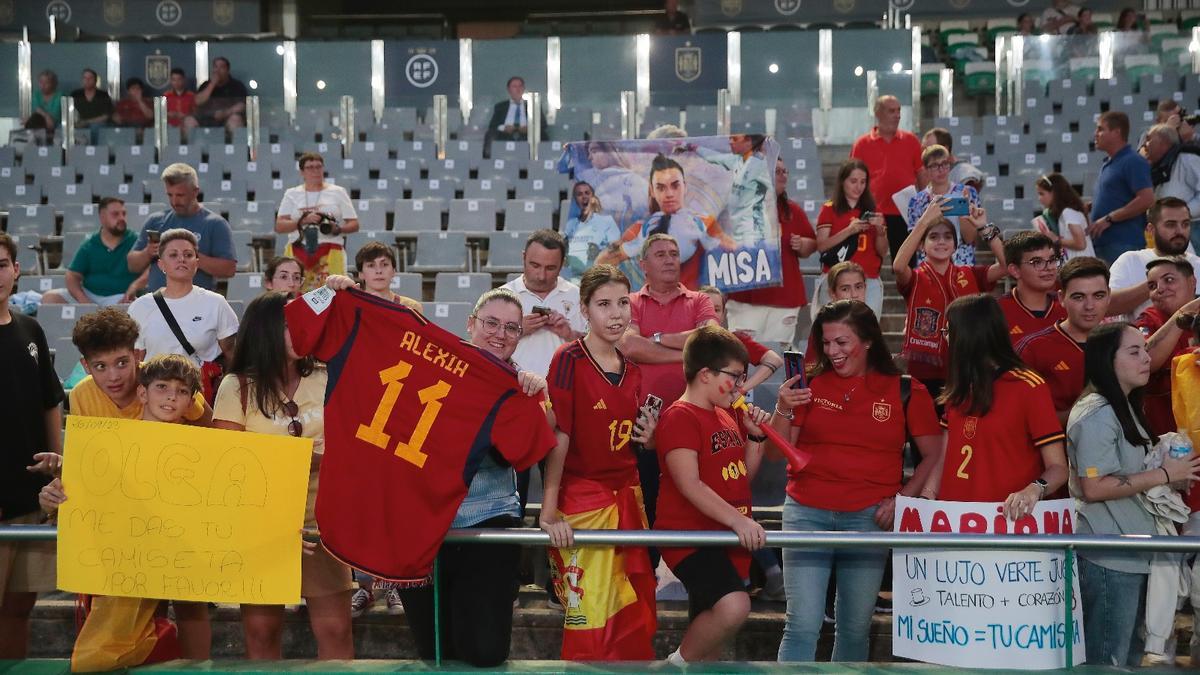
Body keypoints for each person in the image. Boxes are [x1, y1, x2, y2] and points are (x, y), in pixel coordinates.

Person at [769, 300, 942, 662]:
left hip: (869, 517)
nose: (832, 351)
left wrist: (904, 500)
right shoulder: (808, 385)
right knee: (800, 624)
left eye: (842, 342)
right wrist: (783, 406)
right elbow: (776, 453)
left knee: (854, 627)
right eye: (827, 342)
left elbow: (935, 454)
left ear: (867, 341)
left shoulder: (906, 390)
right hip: (805, 513)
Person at [392, 287, 555, 667]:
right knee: (433, 650)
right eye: (491, 323)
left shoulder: (522, 387)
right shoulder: (429, 370)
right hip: (423, 525)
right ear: (470, 325)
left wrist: (538, 398)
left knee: (485, 650)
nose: (501, 334)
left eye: (512, 328)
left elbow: (543, 441)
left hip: (489, 524)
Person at [213, 292, 354, 660]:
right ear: (265, 331)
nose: (302, 332)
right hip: (262, 526)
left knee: (336, 630)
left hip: (321, 521)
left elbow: (351, 447)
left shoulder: (327, 376)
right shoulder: (236, 387)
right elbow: (231, 465)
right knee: (261, 632)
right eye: (291, 326)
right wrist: (305, 458)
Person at [539, 265, 658, 660]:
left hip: (628, 497)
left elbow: (632, 443)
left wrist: (650, 438)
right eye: (604, 304)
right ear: (584, 310)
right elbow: (560, 435)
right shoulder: (568, 359)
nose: (616, 313)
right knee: (589, 616)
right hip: (583, 502)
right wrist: (549, 508)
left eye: (623, 302)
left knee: (630, 613)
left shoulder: (635, 371)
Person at [1068, 322, 1200, 666]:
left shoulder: (1125, 407)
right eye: (1134, 351)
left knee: (1127, 659)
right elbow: (1094, 487)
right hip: (1110, 558)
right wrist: (1165, 473)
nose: (1146, 358)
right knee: (1109, 661)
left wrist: (1168, 479)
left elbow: (1130, 476)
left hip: (1132, 554)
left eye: (1145, 349)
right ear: (1106, 361)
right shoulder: (1096, 412)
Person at [654, 325, 772, 666]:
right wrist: (738, 520)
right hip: (690, 535)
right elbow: (689, 484)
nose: (739, 386)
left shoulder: (726, 413)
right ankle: (673, 666)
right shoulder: (679, 416)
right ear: (705, 374)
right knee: (734, 605)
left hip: (723, 533)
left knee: (712, 638)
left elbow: (741, 477)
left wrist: (756, 438)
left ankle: (689, 664)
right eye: (734, 377)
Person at [930, 294, 1069, 520]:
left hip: (1006, 524)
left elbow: (1059, 468)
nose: (945, 340)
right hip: (954, 521)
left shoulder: (1027, 386)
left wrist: (1034, 489)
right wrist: (927, 498)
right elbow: (943, 457)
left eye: (948, 333)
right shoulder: (959, 388)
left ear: (967, 337)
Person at [619, 234, 719, 535]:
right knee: (647, 503)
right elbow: (629, 347)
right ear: (643, 265)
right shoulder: (632, 302)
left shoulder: (699, 299)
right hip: (642, 419)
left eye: (674, 253)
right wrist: (689, 354)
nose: (669, 259)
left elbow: (710, 339)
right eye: (660, 254)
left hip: (694, 419)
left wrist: (656, 340)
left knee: (695, 501)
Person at [0, 233, 63, 658]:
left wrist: (59, 464)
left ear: (16, 270)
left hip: (29, 494)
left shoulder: (30, 329)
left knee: (20, 608)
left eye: (1, 264)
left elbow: (49, 401)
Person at [893, 198, 1004, 403]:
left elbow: (1006, 266)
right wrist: (924, 221)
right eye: (933, 237)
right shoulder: (914, 278)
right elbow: (898, 267)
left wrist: (983, 228)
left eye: (947, 237)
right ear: (921, 247)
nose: (941, 241)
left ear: (955, 245)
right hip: (926, 370)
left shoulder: (971, 273)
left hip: (968, 366)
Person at [598, 154, 736, 290]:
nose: (669, 194)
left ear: (685, 187)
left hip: (694, 308)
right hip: (656, 308)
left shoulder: (705, 223)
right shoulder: (642, 228)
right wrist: (636, 244)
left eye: (675, 186)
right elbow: (600, 264)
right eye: (661, 187)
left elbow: (739, 259)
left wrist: (712, 243)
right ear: (652, 191)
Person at [725, 156, 817, 349]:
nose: (783, 175)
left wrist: (802, 244)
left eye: (785, 171)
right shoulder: (737, 209)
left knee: (779, 360)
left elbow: (812, 244)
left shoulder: (792, 210)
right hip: (746, 298)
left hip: (784, 298)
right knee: (743, 356)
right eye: (777, 171)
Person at [126, 228, 238, 383]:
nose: (181, 259)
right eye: (173, 255)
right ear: (161, 265)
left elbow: (233, 355)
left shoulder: (216, 303)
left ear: (196, 264)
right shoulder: (139, 307)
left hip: (201, 392)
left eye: (188, 255)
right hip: (156, 392)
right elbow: (136, 360)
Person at [1017, 257, 1112, 425]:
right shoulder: (1033, 349)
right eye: (1078, 297)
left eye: (1098, 296)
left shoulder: (1121, 341)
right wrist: (1082, 409)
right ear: (1061, 298)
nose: (1089, 306)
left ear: (1109, 296)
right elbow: (1019, 417)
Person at [127, 163, 237, 292]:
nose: (174, 201)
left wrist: (190, 256)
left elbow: (229, 269)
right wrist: (147, 252)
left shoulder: (215, 223)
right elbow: (132, 265)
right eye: (170, 195)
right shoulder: (155, 221)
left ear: (195, 191)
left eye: (180, 195)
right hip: (158, 302)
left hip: (196, 303)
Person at [500, 229, 586, 378]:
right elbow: (483, 349)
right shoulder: (501, 297)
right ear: (523, 257)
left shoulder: (577, 296)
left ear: (562, 264)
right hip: (514, 388)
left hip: (566, 389)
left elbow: (599, 348)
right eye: (535, 265)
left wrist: (570, 334)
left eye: (550, 268)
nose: (541, 276)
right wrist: (517, 331)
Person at [849, 95, 925, 261]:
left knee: (907, 265)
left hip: (906, 213)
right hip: (873, 213)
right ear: (878, 113)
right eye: (892, 111)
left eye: (899, 110)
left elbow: (922, 176)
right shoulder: (861, 144)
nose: (897, 115)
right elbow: (851, 179)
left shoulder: (911, 141)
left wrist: (924, 206)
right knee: (870, 261)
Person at [275, 152, 360, 292]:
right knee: (294, 293)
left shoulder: (338, 192)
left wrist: (337, 229)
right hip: (298, 247)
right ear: (302, 171)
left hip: (331, 248)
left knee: (334, 293)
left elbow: (354, 224)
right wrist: (302, 221)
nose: (315, 171)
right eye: (310, 167)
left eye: (318, 166)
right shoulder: (292, 193)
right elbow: (279, 226)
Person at [813, 159, 888, 317]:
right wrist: (849, 231)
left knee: (868, 330)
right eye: (853, 181)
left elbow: (882, 252)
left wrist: (881, 232)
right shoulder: (829, 209)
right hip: (836, 278)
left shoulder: (874, 209)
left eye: (863, 182)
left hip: (868, 279)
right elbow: (821, 245)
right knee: (832, 327)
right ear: (842, 181)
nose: (858, 186)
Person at [1134, 256, 1197, 436]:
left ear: (1192, 282)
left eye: (1169, 280)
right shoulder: (1147, 320)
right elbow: (1147, 362)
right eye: (1152, 286)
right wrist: (1182, 315)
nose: (1160, 289)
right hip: (1167, 436)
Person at [42, 197, 145, 306]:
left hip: (122, 298)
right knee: (50, 297)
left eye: (123, 214)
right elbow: (72, 275)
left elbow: (151, 269)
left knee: (136, 305)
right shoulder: (90, 243)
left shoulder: (136, 240)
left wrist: (135, 286)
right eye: (115, 214)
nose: (121, 218)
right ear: (102, 217)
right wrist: (83, 300)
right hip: (90, 295)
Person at [1108, 197, 1200, 317]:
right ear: (1151, 229)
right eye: (1171, 225)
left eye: (1185, 224)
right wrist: (1157, 283)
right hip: (1142, 334)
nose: (1180, 231)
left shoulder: (1198, 264)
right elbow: (1106, 307)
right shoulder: (1130, 261)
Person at [1090, 111, 1156, 263]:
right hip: (1104, 243)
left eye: (1100, 129)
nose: (1096, 134)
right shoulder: (1109, 163)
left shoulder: (1133, 161)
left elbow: (1146, 199)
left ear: (1116, 132)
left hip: (1123, 243)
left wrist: (1110, 218)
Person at [700, 285, 785, 394]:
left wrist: (741, 390)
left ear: (723, 314)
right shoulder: (684, 342)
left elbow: (774, 360)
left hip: (730, 408)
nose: (711, 314)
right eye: (705, 309)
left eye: (716, 310)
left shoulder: (736, 340)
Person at [907, 144, 981, 266]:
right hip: (929, 265)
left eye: (945, 164)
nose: (941, 169)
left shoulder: (967, 192)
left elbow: (970, 238)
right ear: (925, 170)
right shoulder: (917, 201)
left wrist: (963, 209)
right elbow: (916, 243)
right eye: (935, 166)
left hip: (962, 262)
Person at [998, 231, 1068, 344]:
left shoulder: (1068, 306)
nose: (1049, 267)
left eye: (1052, 260)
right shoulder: (997, 312)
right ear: (1015, 270)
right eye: (1037, 262)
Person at [802, 261, 868, 369]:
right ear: (832, 294)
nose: (854, 295)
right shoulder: (822, 326)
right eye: (845, 289)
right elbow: (811, 367)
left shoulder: (870, 323)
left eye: (858, 287)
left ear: (865, 287)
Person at [562, 182, 621, 282]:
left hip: (600, 280)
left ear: (593, 197)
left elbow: (616, 251)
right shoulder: (570, 225)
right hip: (574, 281)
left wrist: (599, 254)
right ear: (575, 200)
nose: (584, 197)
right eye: (579, 194)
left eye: (587, 193)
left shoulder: (607, 221)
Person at [1145, 124, 1200, 223]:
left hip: (1192, 227)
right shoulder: (1156, 166)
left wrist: (1182, 214)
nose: (1145, 145)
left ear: (1163, 143)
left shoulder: (1187, 160)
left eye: (1149, 140)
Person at [1033, 173, 1095, 259]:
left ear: (1054, 193)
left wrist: (1056, 239)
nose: (1039, 198)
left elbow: (1081, 244)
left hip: (1083, 265)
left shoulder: (1068, 212)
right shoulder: (1064, 212)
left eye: (1042, 194)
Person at [485, 76, 548, 145]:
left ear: (524, 89)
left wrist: (529, 128)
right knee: (490, 134)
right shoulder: (501, 106)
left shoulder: (532, 106)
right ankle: (488, 156)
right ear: (509, 89)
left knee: (542, 135)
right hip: (504, 134)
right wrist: (504, 128)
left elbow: (543, 125)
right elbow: (492, 126)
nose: (518, 89)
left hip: (527, 134)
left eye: (520, 86)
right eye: (514, 86)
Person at [922, 127, 983, 192]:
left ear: (945, 149)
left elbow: (968, 199)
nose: (926, 154)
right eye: (924, 149)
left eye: (932, 149)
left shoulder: (966, 174)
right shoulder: (929, 172)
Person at [194, 57, 247, 131]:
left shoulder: (237, 86)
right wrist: (213, 84)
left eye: (221, 67)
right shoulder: (205, 85)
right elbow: (198, 102)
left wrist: (225, 113)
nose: (217, 71)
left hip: (228, 118)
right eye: (215, 67)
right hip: (206, 120)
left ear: (227, 70)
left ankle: (236, 142)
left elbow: (242, 105)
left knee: (235, 120)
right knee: (189, 121)